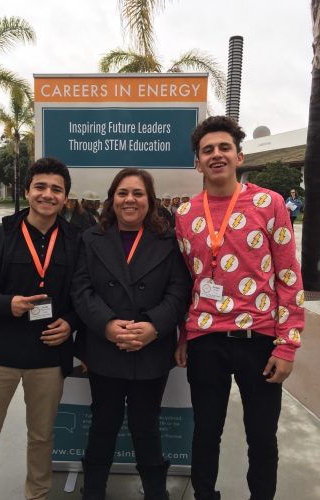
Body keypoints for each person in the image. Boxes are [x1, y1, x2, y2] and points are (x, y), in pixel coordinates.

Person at [175, 116, 305, 500]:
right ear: (197, 163)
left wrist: (287, 346)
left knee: (262, 437)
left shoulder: (270, 203)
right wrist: (183, 336)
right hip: (205, 342)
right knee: (205, 432)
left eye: (224, 148)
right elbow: (185, 283)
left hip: (259, 340)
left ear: (239, 156)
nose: (216, 155)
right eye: (207, 150)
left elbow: (289, 278)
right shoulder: (185, 215)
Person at [0, 157, 80, 500]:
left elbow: (84, 295)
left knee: (41, 438)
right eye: (40, 186)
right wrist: (5, 304)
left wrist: (70, 323)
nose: (48, 194)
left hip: (47, 356)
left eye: (56, 189)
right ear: (27, 191)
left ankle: (37, 495)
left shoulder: (76, 240)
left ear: (65, 198)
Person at [72, 168, 191, 500]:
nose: (130, 200)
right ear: (112, 199)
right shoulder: (90, 238)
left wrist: (154, 326)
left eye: (138, 193)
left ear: (150, 201)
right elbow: (80, 289)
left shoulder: (170, 241)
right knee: (103, 425)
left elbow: (179, 290)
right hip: (104, 348)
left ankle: (156, 493)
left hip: (150, 349)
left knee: (146, 427)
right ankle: (92, 492)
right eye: (123, 193)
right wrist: (107, 325)